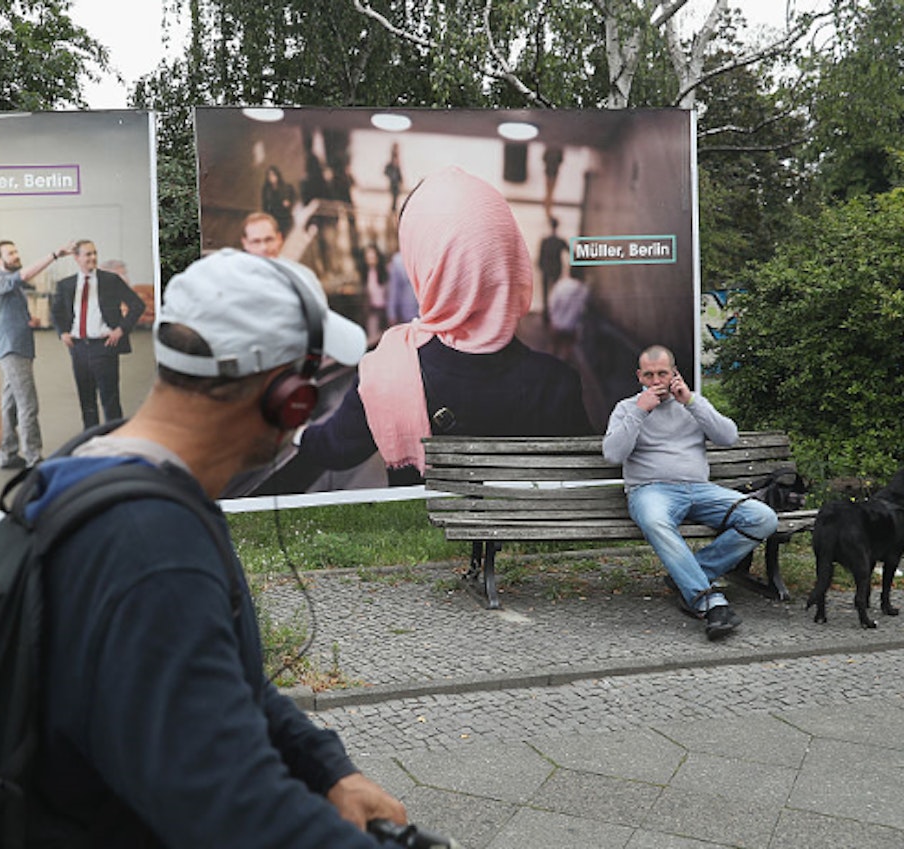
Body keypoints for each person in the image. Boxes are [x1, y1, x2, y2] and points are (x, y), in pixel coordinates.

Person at [24, 248, 410, 847]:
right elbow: (223, 801)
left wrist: (323, 765)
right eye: (307, 379)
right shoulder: (151, 545)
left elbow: (214, 678)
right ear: (287, 396)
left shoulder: (97, 460)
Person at [293, 166, 591, 488]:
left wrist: (295, 434)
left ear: (421, 261)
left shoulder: (389, 369)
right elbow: (584, 481)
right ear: (508, 256)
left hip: (426, 537)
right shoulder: (556, 384)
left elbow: (335, 449)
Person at [602, 345, 778, 640]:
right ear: (639, 377)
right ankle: (709, 602)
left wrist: (693, 402)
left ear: (674, 373)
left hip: (701, 490)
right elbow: (613, 454)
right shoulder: (626, 407)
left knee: (763, 517)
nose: (656, 381)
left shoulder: (692, 404)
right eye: (649, 375)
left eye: (662, 373)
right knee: (656, 521)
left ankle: (687, 576)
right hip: (651, 490)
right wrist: (640, 411)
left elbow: (728, 436)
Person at [0, 238, 74, 470]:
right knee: (28, 404)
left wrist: (28, 321)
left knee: (10, 404)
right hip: (13, 351)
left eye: (16, 251)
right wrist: (54, 255)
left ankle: (7, 454)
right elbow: (24, 275)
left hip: (19, 347)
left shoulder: (10, 287)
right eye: (10, 253)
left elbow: (8, 313)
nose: (16, 256)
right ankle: (34, 457)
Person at [49, 239, 145, 429]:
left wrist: (120, 329)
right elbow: (56, 312)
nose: (93, 258)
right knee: (87, 402)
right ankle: (91, 441)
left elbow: (137, 305)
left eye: (95, 253)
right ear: (76, 257)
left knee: (110, 401)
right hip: (78, 348)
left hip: (104, 347)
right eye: (88, 254)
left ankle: (115, 444)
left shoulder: (111, 281)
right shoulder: (66, 285)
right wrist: (63, 333)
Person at [537, 217, 568, 324]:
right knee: (555, 293)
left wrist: (541, 267)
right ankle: (554, 315)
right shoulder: (560, 241)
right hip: (556, 269)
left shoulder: (545, 241)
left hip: (546, 269)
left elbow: (540, 257)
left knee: (545, 293)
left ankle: (546, 314)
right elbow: (571, 253)